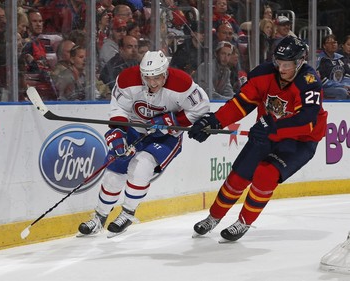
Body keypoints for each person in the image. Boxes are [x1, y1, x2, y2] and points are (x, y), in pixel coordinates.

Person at [188, 36, 328, 242]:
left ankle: (244, 221)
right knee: (238, 176)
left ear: (300, 62)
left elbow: (307, 121)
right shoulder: (264, 73)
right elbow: (241, 103)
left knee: (266, 173)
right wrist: (215, 121)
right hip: (267, 133)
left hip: (300, 141)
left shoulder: (309, 82)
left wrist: (273, 127)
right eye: (278, 63)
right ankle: (214, 216)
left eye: (287, 64)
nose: (281, 69)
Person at [78, 50, 210, 237]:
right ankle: (99, 217)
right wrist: (117, 131)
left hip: (166, 135)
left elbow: (201, 108)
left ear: (166, 72)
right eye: (147, 78)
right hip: (134, 127)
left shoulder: (182, 83)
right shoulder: (127, 79)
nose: (152, 83)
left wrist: (172, 120)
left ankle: (128, 213)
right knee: (114, 172)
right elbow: (119, 108)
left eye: (157, 77)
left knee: (141, 167)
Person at [316, 34, 350, 100]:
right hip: (325, 88)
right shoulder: (320, 60)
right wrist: (342, 86)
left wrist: (347, 86)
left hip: (341, 87)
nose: (333, 44)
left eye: (334, 42)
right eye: (329, 43)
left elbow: (347, 75)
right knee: (342, 92)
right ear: (324, 46)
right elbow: (321, 80)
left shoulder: (341, 58)